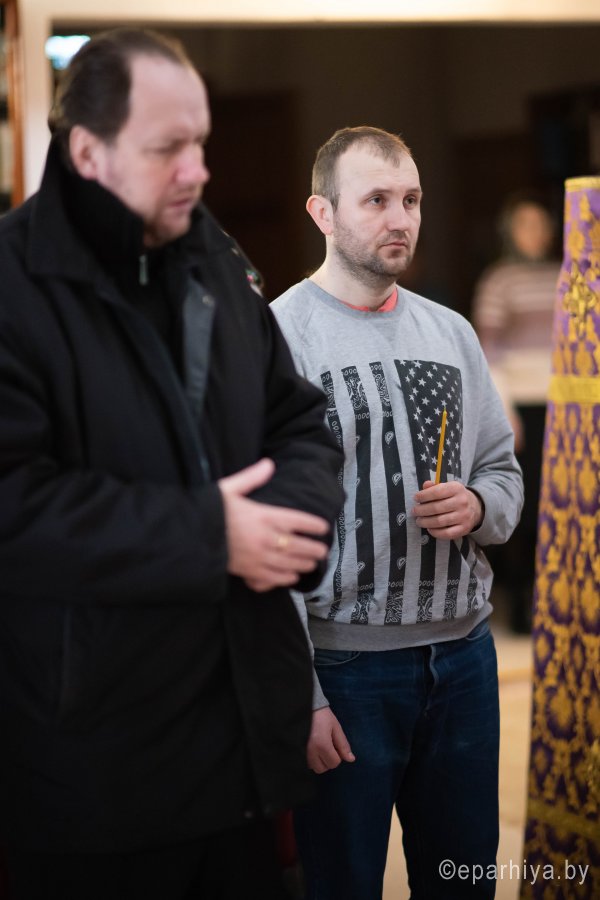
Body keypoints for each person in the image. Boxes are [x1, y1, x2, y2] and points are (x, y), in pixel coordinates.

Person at [0, 29, 344, 900]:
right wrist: (208, 536)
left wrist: (290, 524)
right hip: (97, 772)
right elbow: (13, 502)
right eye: (168, 149)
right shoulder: (11, 285)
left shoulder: (215, 263)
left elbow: (298, 420)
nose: (199, 170)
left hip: (244, 755)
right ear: (88, 152)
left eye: (202, 142)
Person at [271, 126, 523, 899]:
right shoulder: (277, 337)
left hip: (465, 659)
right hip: (344, 670)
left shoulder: (451, 332)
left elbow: (503, 474)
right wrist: (301, 694)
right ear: (323, 212)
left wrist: (477, 504)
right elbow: (263, 533)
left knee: (463, 879)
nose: (400, 219)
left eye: (410, 200)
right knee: (342, 883)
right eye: (376, 200)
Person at [472, 194, 560, 633]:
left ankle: (559, 594)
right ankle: (522, 597)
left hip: (564, 401)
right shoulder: (499, 280)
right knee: (526, 501)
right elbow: (489, 349)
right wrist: (504, 408)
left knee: (561, 499)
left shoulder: (565, 274)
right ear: (510, 232)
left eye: (541, 224)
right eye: (526, 225)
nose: (535, 233)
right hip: (521, 404)